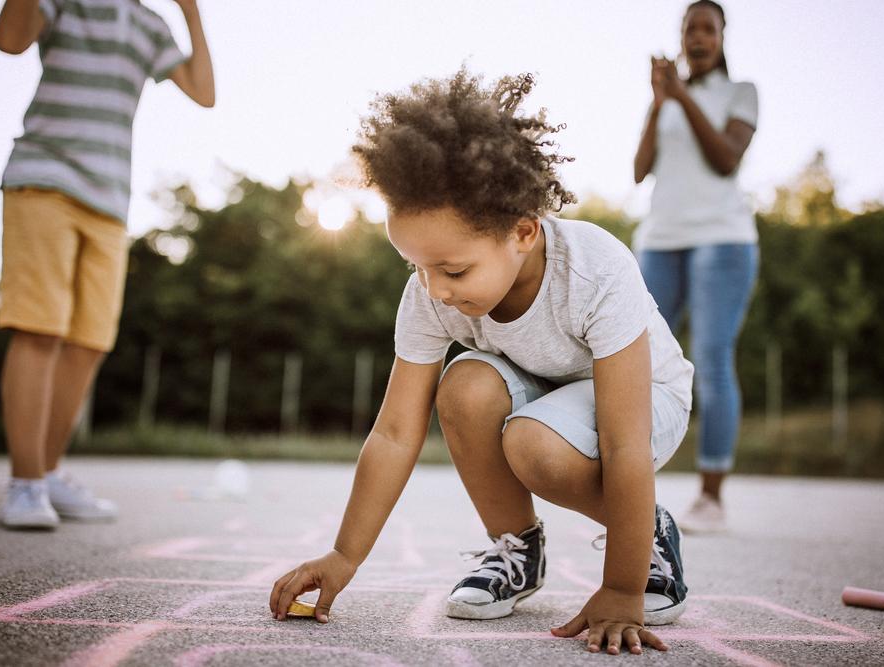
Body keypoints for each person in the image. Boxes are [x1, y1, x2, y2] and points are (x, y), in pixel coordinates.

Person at [269, 69, 695, 656]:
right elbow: (394, 433)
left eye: (453, 269)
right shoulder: (431, 292)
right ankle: (517, 549)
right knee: (464, 388)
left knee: (532, 441)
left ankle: (648, 536)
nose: (434, 288)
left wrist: (621, 588)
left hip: (650, 401)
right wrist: (344, 556)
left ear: (522, 231)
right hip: (551, 399)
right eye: (416, 265)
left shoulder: (595, 270)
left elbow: (625, 441)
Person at [0, 0, 214, 529]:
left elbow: (204, 94)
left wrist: (191, 12)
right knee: (40, 330)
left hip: (110, 199)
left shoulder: (149, 25)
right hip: (45, 177)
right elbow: (9, 39)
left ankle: (46, 475)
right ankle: (24, 484)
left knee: (89, 342)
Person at [632, 0, 759, 533]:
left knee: (709, 355)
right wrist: (661, 104)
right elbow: (640, 171)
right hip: (661, 239)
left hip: (722, 240)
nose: (699, 37)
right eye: (690, 29)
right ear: (681, 38)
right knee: (631, 353)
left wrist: (681, 95)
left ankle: (711, 498)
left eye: (709, 28)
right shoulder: (666, 101)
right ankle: (627, 491)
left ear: (723, 37)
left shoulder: (740, 93)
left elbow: (726, 159)